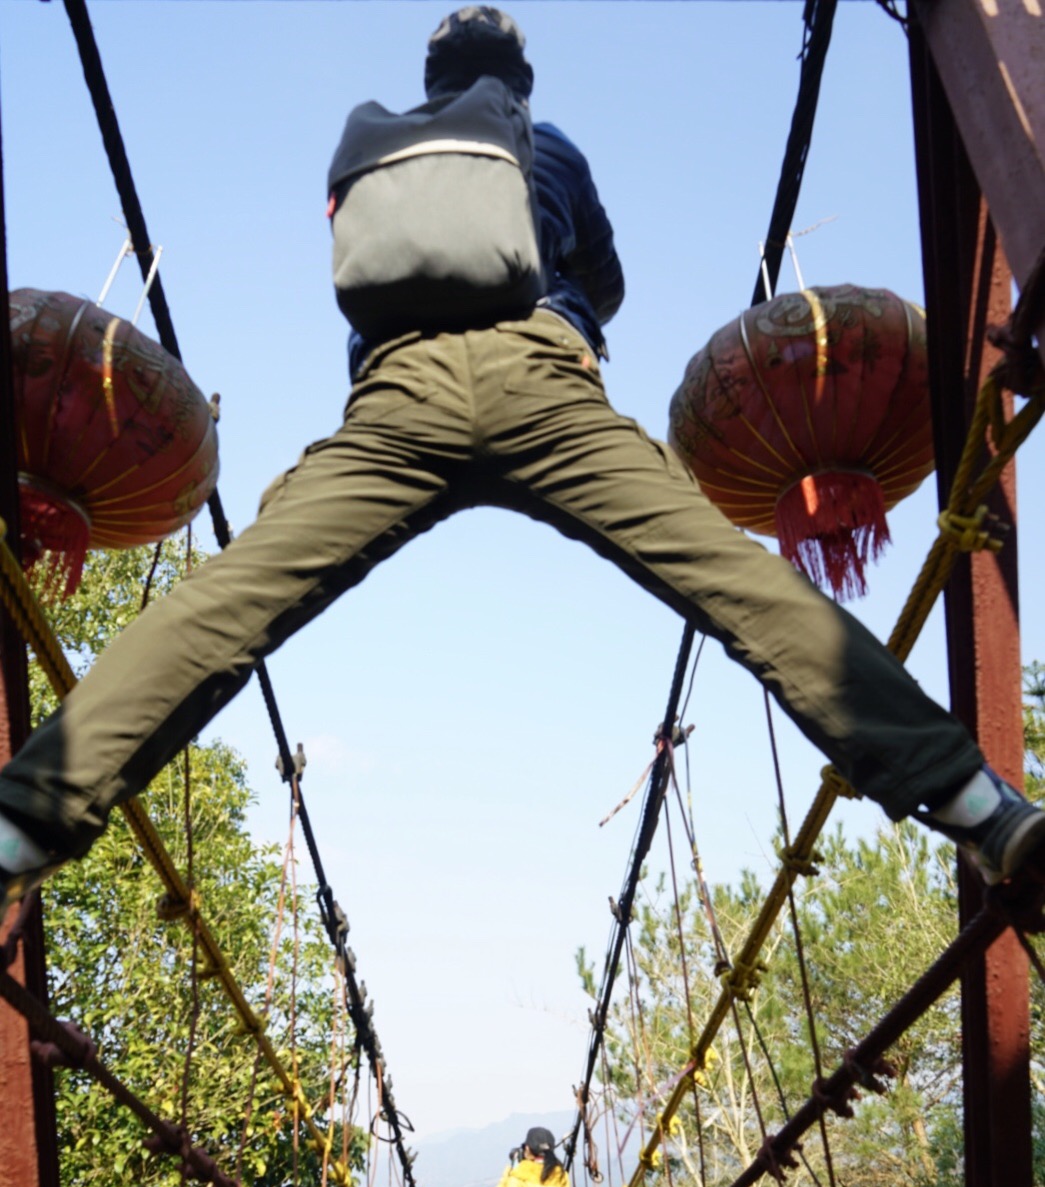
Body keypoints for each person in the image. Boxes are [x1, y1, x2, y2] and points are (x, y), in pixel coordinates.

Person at [0, 5, 1042, 905]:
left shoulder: (368, 149)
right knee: (733, 587)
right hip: (545, 381)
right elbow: (611, 283)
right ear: (516, 86)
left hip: (394, 399)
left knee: (227, 602)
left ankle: (20, 826)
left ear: (434, 87)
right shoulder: (551, 146)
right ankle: (979, 807)